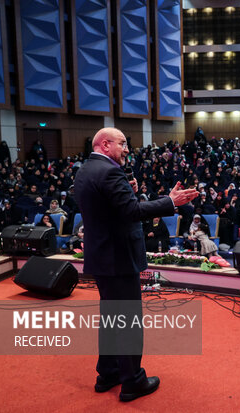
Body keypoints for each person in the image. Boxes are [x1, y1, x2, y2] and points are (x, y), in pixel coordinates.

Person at [74, 127, 198, 402]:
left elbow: (105, 208)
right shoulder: (109, 172)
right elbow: (131, 212)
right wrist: (170, 202)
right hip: (119, 257)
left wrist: (126, 192)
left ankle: (108, 373)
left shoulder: (85, 170)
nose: (127, 149)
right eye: (122, 144)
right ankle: (132, 381)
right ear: (105, 145)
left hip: (103, 256)